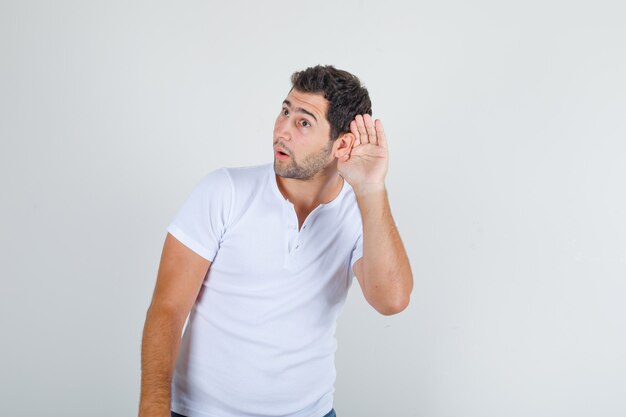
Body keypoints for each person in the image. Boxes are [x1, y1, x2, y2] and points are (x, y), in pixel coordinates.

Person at [139, 65, 413, 417]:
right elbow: (167, 309)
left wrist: (372, 187)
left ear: (341, 144)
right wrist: (153, 409)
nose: (282, 129)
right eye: (285, 111)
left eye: (303, 122)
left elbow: (391, 300)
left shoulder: (361, 213)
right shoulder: (225, 191)